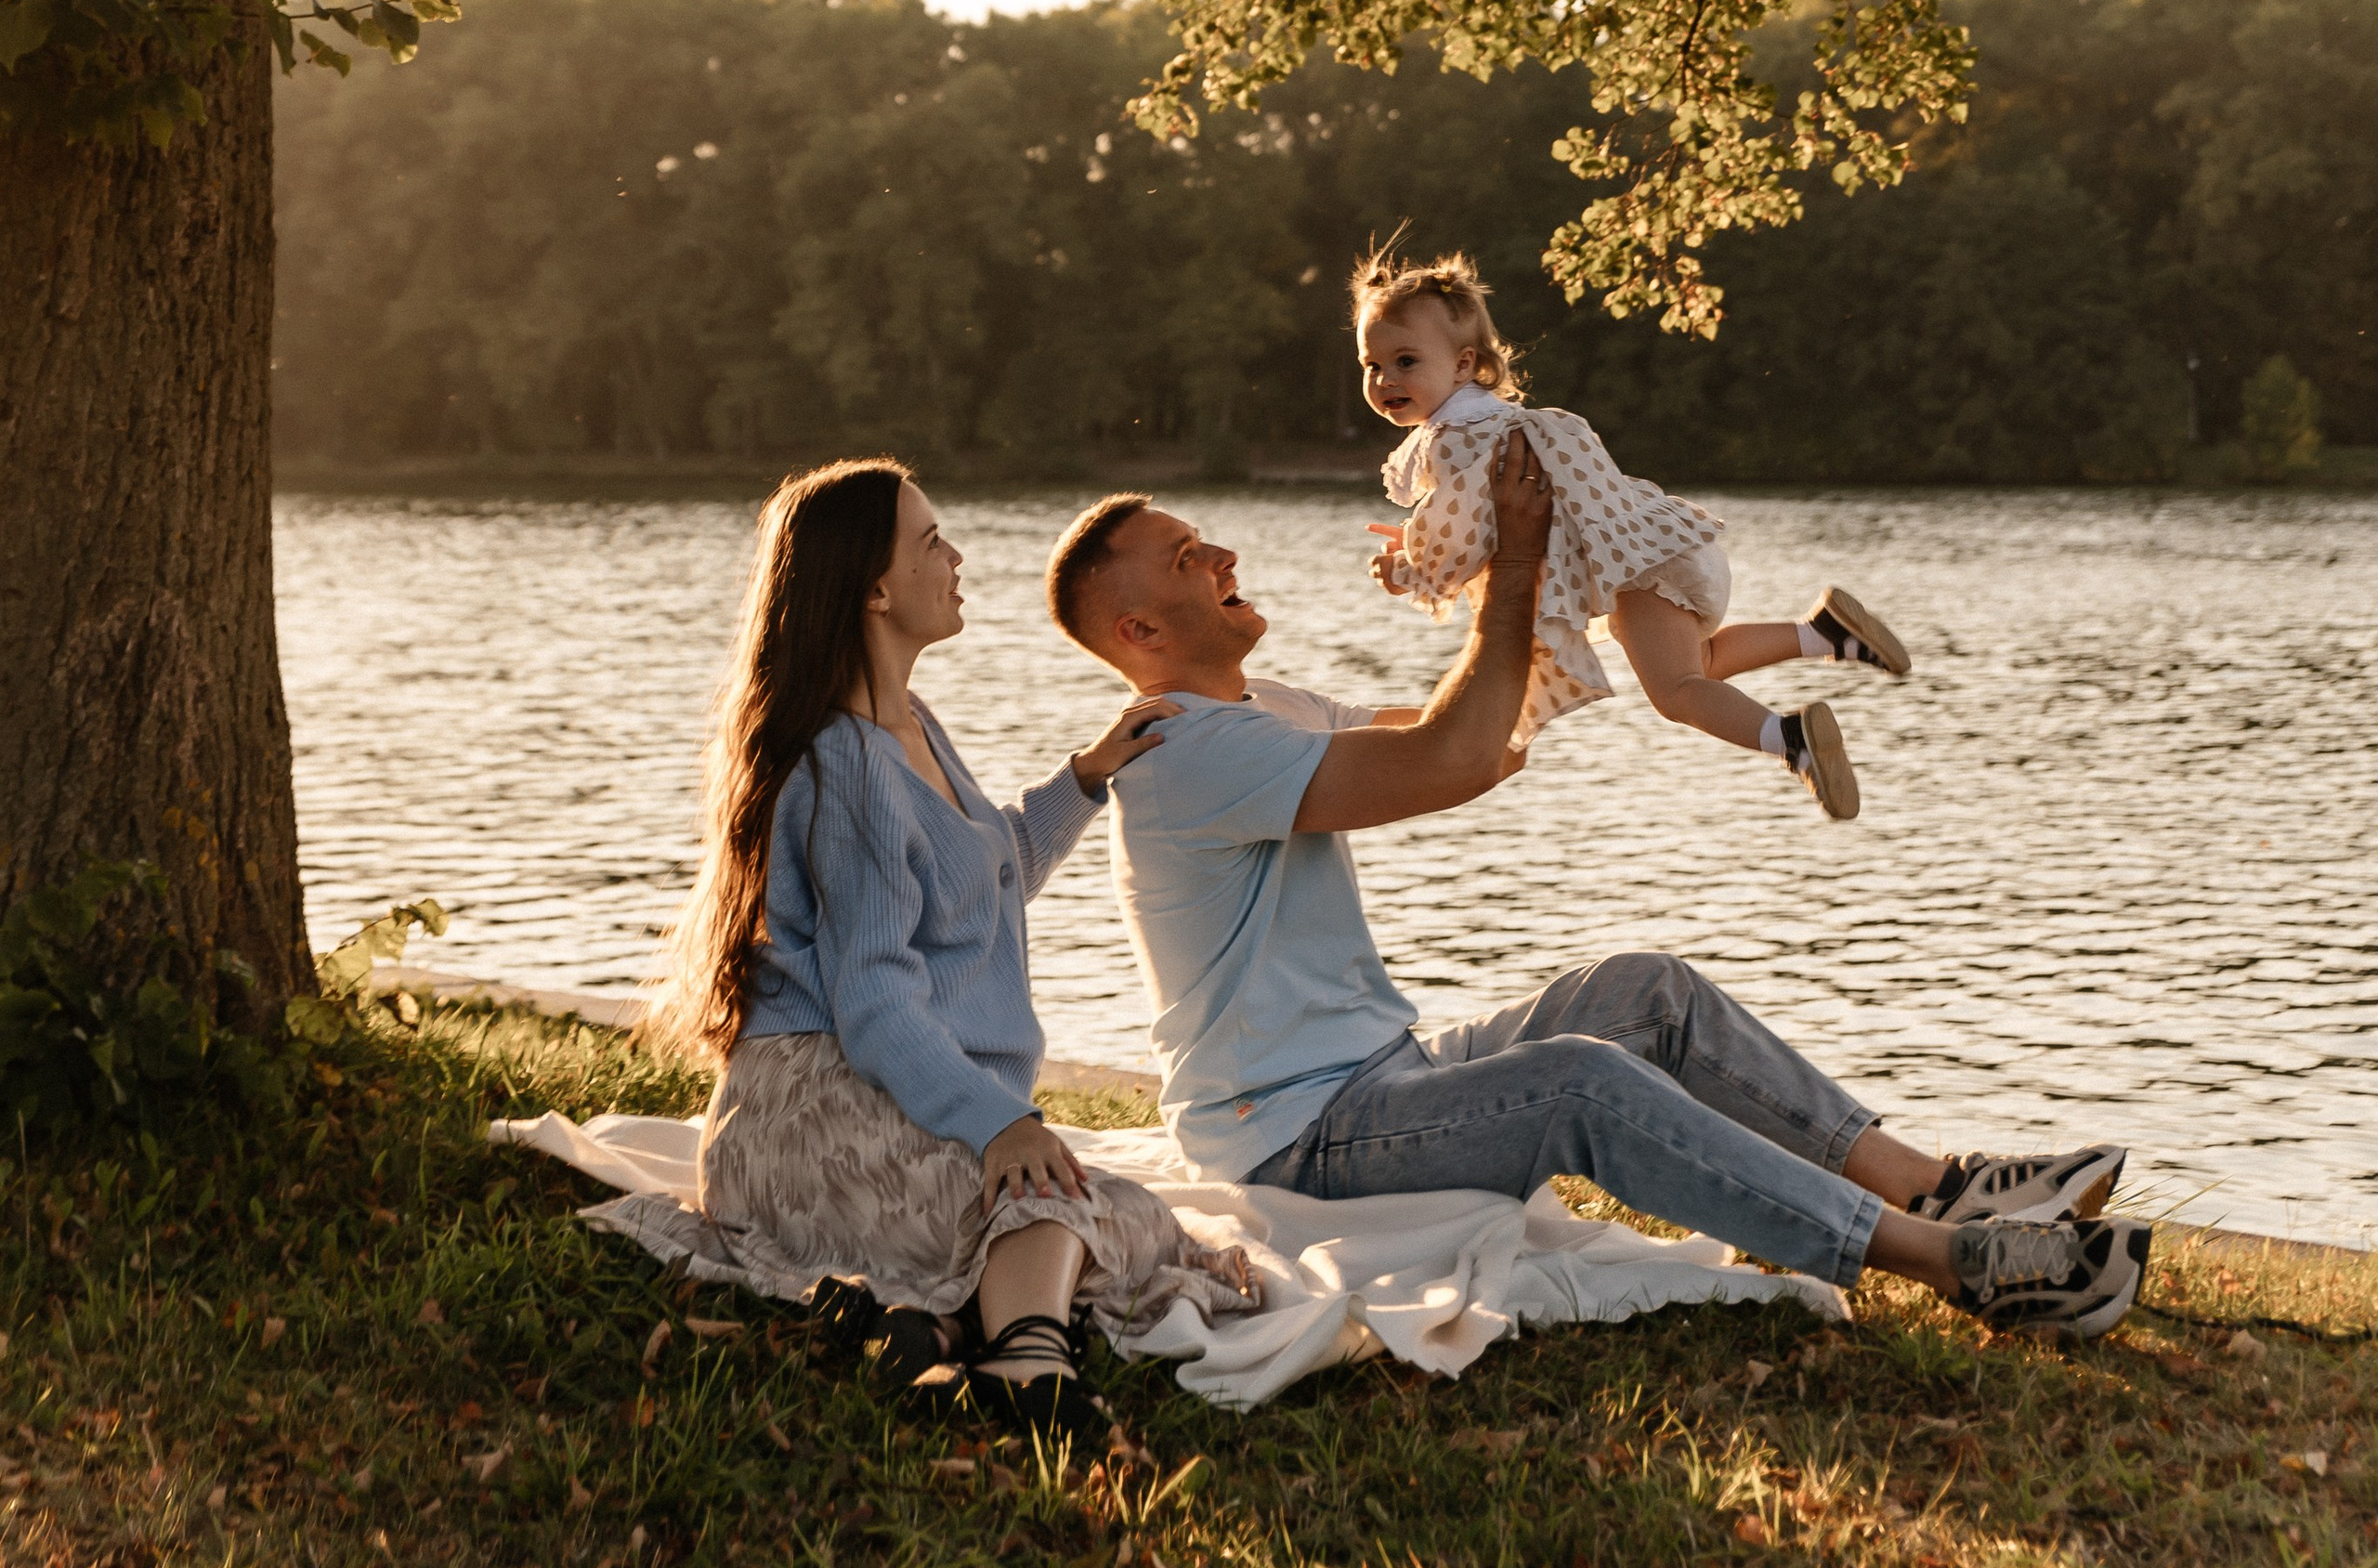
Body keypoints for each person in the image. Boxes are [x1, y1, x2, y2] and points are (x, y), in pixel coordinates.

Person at [1044, 454, 2152, 1341]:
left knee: (1642, 993)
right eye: (1191, 557)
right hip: (1296, 1134)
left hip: (1381, 1071)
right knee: (1577, 1081)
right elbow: (1453, 762)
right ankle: (1953, 1268)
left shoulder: (1263, 705)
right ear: (1138, 634)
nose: (1224, 551)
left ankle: (1936, 1187)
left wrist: (1507, 560)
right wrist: (1518, 565)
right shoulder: (1186, 751)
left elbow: (1484, 732)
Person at [645, 458, 1255, 1438]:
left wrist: (1085, 777)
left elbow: (985, 869)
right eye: (932, 542)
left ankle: (922, 1327)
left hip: (876, 1088)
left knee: (1132, 1216)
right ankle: (1028, 1362)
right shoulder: (849, 767)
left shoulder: (909, 727)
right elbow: (876, 1002)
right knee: (1059, 1203)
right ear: (876, 589)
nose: (957, 557)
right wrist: (997, 1123)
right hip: (812, 1111)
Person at [1355, 245, 1908, 821]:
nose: (1385, 379)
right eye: (1372, 366)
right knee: (1702, 665)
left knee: (1677, 696)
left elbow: (1459, 536)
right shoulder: (1498, 419)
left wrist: (1407, 569)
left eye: (1406, 362)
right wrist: (1423, 538)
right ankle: (1825, 633)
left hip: (1642, 575)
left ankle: (1791, 738)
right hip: (1672, 549)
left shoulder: (1454, 438)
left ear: (1464, 364)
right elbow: (1481, 518)